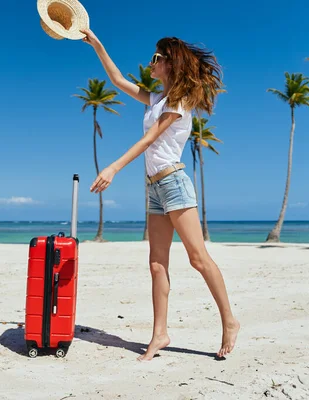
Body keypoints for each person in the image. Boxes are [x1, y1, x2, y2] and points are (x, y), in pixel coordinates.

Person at [81, 28, 240, 361]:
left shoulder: (179, 103)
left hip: (174, 183)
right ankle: (160, 334)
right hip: (154, 188)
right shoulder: (156, 100)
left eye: (156, 58)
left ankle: (229, 320)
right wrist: (97, 43)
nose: (150, 63)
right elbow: (116, 80)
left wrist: (113, 168)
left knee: (198, 258)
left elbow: (149, 140)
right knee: (156, 264)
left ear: (170, 64)